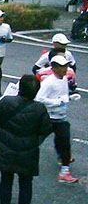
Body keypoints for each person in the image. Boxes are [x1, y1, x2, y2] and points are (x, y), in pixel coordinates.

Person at [0, 75, 52, 204]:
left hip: (6, 146)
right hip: (28, 150)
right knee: (26, 185)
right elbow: (47, 128)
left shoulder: (6, 102)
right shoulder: (39, 108)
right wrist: (35, 141)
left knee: (6, 181)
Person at [35, 55, 81, 183]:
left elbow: (62, 95)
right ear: (54, 68)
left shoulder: (64, 78)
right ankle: (21, 159)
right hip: (49, 118)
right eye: (62, 67)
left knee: (64, 143)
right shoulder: (49, 82)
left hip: (60, 118)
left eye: (66, 65)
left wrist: (70, 97)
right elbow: (39, 99)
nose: (65, 69)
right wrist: (58, 102)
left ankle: (64, 171)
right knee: (35, 141)